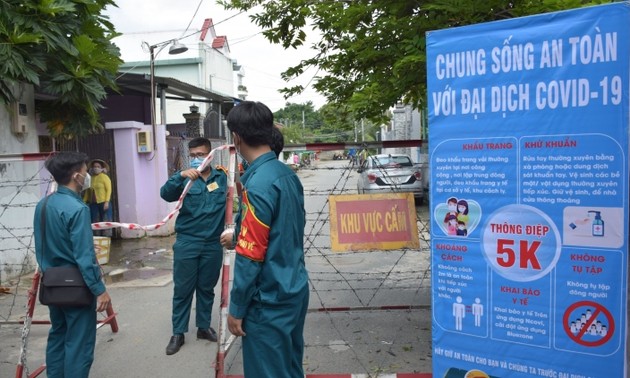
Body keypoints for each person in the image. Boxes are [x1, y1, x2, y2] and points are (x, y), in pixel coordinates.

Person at [220, 101, 309, 378]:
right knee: (290, 368)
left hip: (268, 300)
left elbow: (250, 256)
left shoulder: (258, 184)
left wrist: (236, 308)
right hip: (293, 289)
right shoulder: (287, 176)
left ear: (236, 137)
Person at [33, 151, 111, 377]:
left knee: (58, 335)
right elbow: (84, 256)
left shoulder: (43, 204)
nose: (88, 176)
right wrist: (100, 290)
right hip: (77, 286)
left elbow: (41, 247)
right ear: (77, 176)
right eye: (86, 172)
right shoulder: (78, 209)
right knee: (79, 345)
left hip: (52, 283)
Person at [160, 137, 227, 355]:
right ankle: (178, 332)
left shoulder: (222, 177)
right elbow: (165, 194)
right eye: (193, 155)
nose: (197, 159)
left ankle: (203, 327)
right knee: (183, 289)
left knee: (207, 288)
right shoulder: (184, 178)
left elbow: (236, 196)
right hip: (188, 241)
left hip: (212, 244)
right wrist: (180, 175)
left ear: (210, 155)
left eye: (201, 154)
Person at [83, 159, 112, 235]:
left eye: (98, 166)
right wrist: (84, 201)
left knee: (105, 222)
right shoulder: (90, 178)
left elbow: (109, 190)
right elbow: (87, 191)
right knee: (94, 221)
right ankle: (96, 239)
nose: (96, 168)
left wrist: (107, 202)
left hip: (103, 203)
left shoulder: (104, 177)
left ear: (102, 168)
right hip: (93, 204)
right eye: (94, 166)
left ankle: (106, 239)